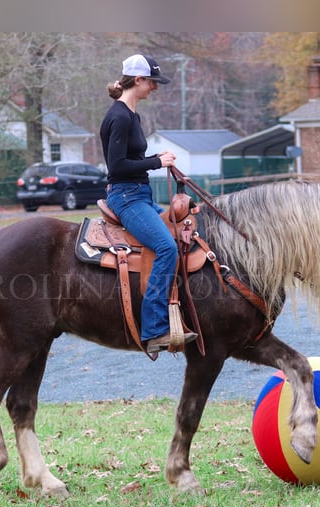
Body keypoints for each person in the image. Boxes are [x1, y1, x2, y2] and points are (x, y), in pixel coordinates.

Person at [99, 54, 197, 354]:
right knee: (166, 247)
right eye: (152, 82)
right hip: (127, 197)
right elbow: (116, 166)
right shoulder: (119, 117)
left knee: (189, 225)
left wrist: (157, 161)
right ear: (138, 80)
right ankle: (154, 329)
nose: (155, 87)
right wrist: (157, 161)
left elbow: (132, 160)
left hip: (140, 195)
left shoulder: (132, 115)